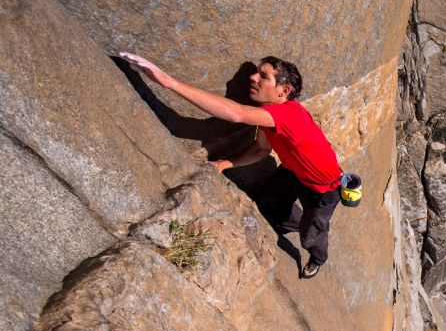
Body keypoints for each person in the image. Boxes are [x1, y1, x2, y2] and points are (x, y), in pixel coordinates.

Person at [120, 52, 342, 279]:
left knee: (310, 236)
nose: (253, 78)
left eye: (263, 76)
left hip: (322, 187)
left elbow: (236, 114)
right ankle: (300, 222)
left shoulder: (288, 115)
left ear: (283, 91)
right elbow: (261, 149)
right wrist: (225, 163)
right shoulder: (269, 116)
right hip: (292, 171)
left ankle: (317, 256)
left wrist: (168, 82)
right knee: (268, 202)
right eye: (256, 72)